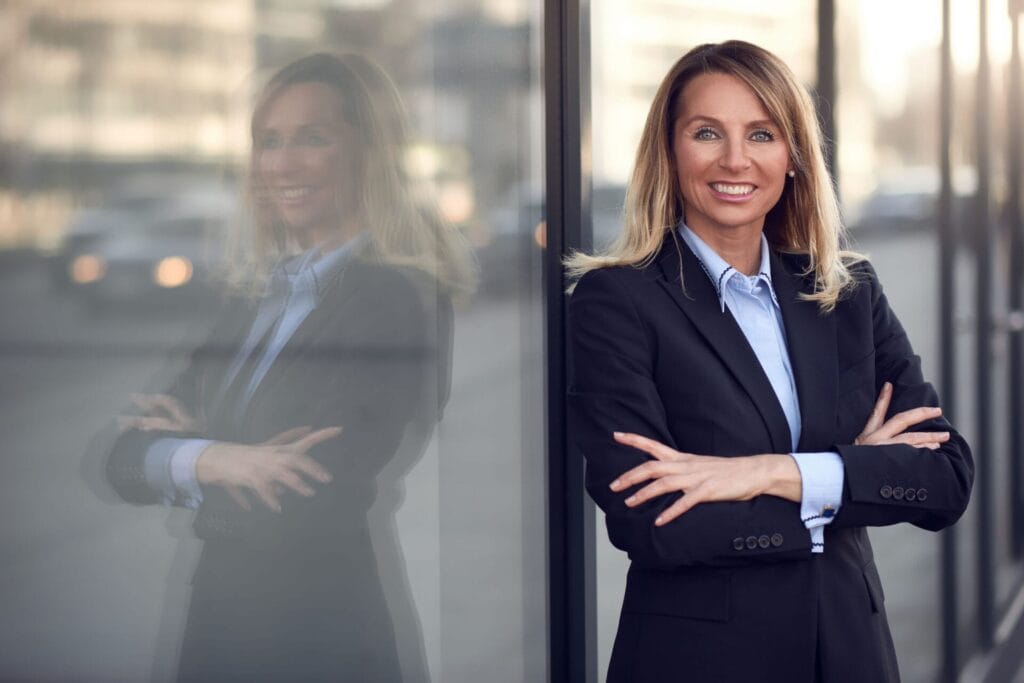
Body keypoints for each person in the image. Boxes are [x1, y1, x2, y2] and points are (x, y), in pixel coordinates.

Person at [567, 40, 973, 683]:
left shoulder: (847, 291)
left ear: (793, 158)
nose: (735, 160)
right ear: (669, 152)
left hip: (850, 652)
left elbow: (945, 480)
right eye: (707, 132)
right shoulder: (615, 302)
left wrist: (766, 472)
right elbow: (652, 522)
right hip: (702, 664)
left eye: (761, 133)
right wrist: (848, 473)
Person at [104, 53, 473, 681]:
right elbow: (122, 460)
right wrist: (220, 459)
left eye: (313, 138)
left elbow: (309, 489)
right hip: (226, 615)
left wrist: (186, 447)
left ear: (368, 151)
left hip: (313, 630)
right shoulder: (256, 297)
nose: (280, 163)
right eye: (267, 141)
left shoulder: (395, 296)